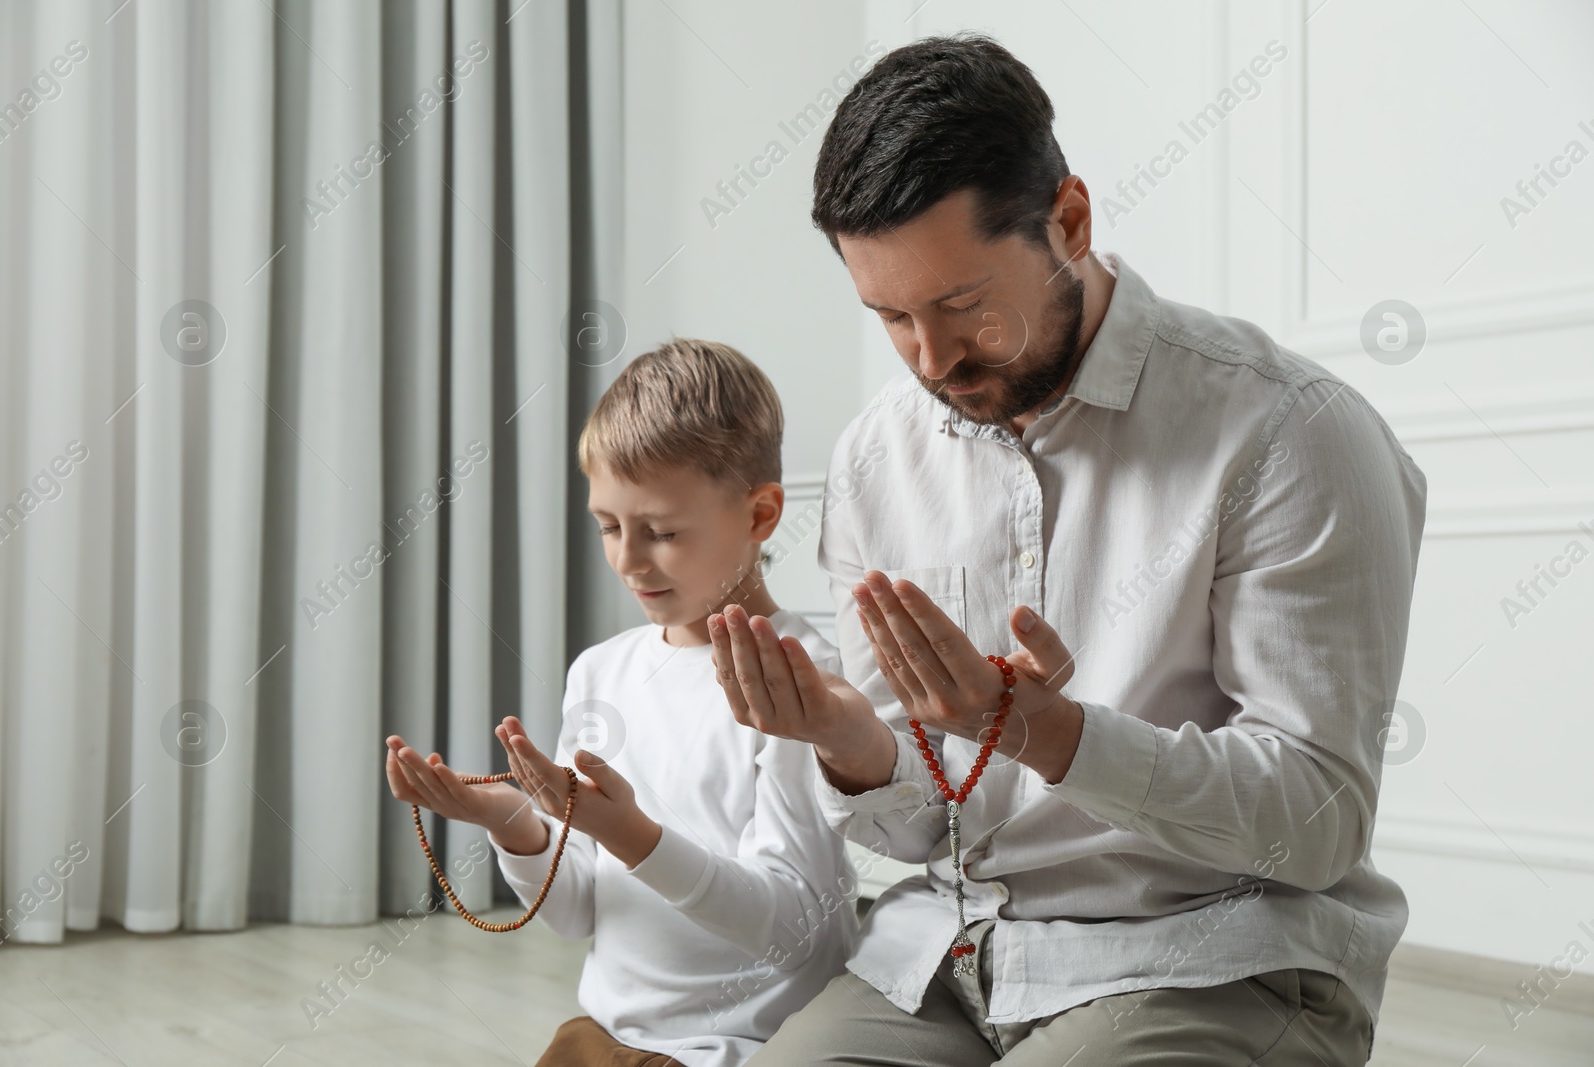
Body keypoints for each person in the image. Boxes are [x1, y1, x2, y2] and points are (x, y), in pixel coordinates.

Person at [711, 34, 1425, 1066]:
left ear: (1070, 219)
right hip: (955, 959)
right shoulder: (878, 455)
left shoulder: (1291, 431)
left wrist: (1048, 732)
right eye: (890, 317)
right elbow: (917, 827)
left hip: (1214, 954)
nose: (931, 359)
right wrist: (848, 742)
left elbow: (1312, 823)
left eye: (960, 305)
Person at [386, 338, 857, 1067]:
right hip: (604, 1039)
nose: (629, 560)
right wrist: (510, 819)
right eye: (609, 525)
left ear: (761, 515)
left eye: (662, 532)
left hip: (741, 1049)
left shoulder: (802, 684)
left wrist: (631, 832)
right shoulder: (600, 672)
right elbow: (577, 913)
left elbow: (795, 928)